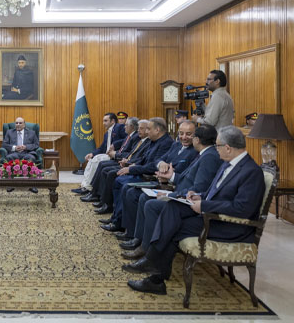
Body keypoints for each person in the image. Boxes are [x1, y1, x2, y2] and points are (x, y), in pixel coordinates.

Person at [124, 126, 265, 295]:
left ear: (228, 148)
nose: (215, 149)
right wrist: (199, 196)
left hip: (230, 227)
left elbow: (242, 209)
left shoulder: (251, 172)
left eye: (218, 145)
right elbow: (214, 192)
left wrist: (204, 205)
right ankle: (154, 274)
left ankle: (153, 268)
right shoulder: (228, 164)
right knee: (173, 209)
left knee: (171, 225)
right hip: (213, 217)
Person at [119, 124, 222, 260]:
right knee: (142, 197)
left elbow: (199, 188)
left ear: (196, 139)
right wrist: (171, 177)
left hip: (187, 200)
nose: (184, 137)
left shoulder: (208, 157)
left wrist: (170, 195)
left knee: (151, 204)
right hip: (175, 189)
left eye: (189, 135)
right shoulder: (202, 153)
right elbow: (185, 178)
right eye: (181, 133)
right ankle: (141, 241)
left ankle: (148, 251)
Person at [76, 116, 136, 201]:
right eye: (103, 121)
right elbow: (102, 148)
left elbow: (125, 142)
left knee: (98, 161)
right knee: (93, 159)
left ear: (112, 121)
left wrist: (114, 146)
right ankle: (86, 186)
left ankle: (91, 189)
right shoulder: (107, 133)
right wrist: (92, 154)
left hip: (117, 156)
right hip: (113, 154)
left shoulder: (119, 127)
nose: (103, 123)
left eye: (105, 121)